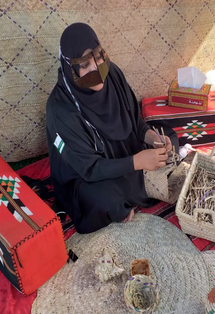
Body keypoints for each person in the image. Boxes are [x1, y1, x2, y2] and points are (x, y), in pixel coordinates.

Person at [46, 23, 178, 233]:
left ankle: (140, 183)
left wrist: (151, 137)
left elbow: (134, 120)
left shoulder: (112, 74)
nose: (96, 68)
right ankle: (141, 184)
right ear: (71, 68)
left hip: (125, 153)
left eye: (98, 56)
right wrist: (137, 162)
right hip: (87, 173)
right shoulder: (60, 109)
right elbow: (89, 168)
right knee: (106, 200)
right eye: (85, 64)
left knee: (168, 135)